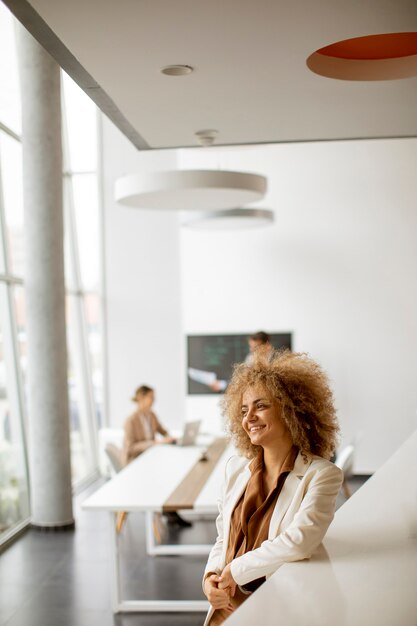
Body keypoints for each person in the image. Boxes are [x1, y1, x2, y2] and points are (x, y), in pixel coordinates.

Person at [202, 350, 342, 625]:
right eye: (244, 410)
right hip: (226, 606)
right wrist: (211, 578)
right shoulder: (235, 469)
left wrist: (234, 571)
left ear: (291, 409)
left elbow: (300, 541)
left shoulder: (322, 475)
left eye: (261, 406)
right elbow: (224, 538)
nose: (249, 417)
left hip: (278, 609)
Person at [123, 384, 191, 527]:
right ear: (141, 398)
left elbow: (163, 430)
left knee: (172, 473)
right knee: (167, 477)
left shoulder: (151, 415)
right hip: (136, 465)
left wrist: (170, 438)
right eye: (151, 397)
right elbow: (130, 448)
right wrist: (153, 443)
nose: (154, 400)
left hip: (151, 460)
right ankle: (170, 513)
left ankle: (171, 512)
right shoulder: (131, 420)